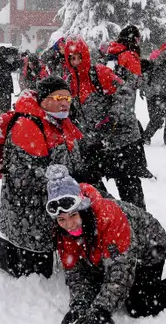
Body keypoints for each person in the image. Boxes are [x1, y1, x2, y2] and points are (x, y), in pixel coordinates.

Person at [46, 165, 166, 324]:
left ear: (82, 208)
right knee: (94, 287)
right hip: (102, 252)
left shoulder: (108, 218)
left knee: (139, 305)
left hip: (148, 247)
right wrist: (79, 305)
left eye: (73, 215)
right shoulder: (63, 232)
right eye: (62, 219)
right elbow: (75, 272)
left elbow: (120, 275)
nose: (69, 224)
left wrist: (100, 312)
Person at [0, 77, 84, 278]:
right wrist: (66, 184)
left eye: (68, 97)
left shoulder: (60, 122)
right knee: (34, 271)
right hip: (27, 210)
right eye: (58, 97)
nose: (64, 102)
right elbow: (23, 175)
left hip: (53, 206)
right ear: (43, 99)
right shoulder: (27, 125)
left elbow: (70, 159)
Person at [63, 37, 150, 209]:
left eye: (78, 57)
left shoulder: (99, 73)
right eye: (71, 58)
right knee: (89, 181)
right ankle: (111, 214)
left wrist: (113, 116)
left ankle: (139, 219)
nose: (76, 62)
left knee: (127, 184)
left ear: (85, 56)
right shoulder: (70, 83)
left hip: (121, 139)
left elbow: (125, 93)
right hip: (96, 141)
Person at [0, 46, 22, 117]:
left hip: (0, 89)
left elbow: (11, 67)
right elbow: (11, 67)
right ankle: (1, 122)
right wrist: (18, 62)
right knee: (4, 109)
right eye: (12, 57)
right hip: (3, 88)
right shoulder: (2, 62)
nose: (12, 58)